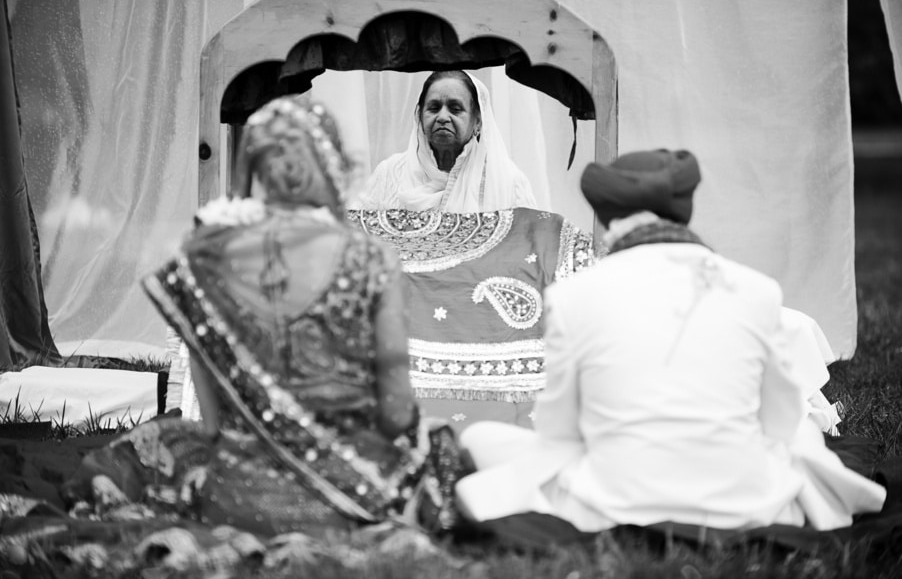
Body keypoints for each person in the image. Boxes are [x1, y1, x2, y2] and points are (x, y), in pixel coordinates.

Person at [60, 97, 467, 540]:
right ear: (332, 166)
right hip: (351, 504)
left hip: (234, 500)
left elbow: (211, 426)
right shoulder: (372, 261)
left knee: (161, 443)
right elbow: (397, 412)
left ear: (255, 168)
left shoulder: (208, 261)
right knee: (441, 442)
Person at [455, 149, 886, 539]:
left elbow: (558, 430)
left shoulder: (572, 296)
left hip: (614, 497)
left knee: (480, 438)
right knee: (800, 433)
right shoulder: (757, 290)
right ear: (684, 211)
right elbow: (781, 419)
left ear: (610, 219)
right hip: (742, 497)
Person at [353, 70, 537, 212]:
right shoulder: (389, 173)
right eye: (434, 108)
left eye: (455, 109)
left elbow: (529, 243)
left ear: (478, 122)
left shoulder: (508, 181)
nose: (442, 117)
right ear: (419, 116)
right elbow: (355, 235)